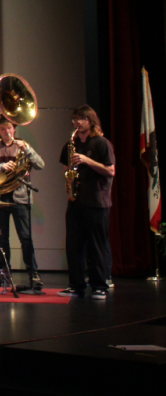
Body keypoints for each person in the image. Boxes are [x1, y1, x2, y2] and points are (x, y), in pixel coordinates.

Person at [0, 115, 46, 290]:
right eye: (3, 129)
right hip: (0, 197)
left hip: (20, 198)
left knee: (26, 238)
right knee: (3, 238)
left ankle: (33, 274)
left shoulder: (22, 146)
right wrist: (1, 168)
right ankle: (4, 273)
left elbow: (40, 164)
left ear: (14, 129)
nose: (7, 132)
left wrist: (27, 149)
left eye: (9, 128)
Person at [58, 105, 114, 300]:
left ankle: (100, 286)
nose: (78, 122)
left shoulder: (101, 143)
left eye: (82, 119)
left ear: (91, 121)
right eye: (75, 119)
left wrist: (86, 160)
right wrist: (71, 172)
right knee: (73, 245)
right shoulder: (70, 144)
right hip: (76, 200)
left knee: (96, 246)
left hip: (97, 201)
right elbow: (66, 170)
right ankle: (76, 285)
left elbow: (110, 171)